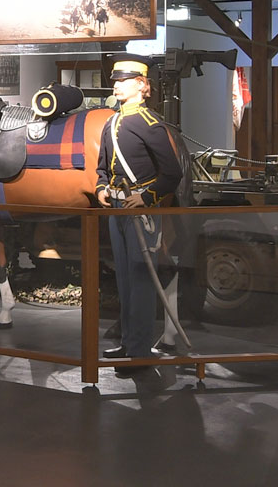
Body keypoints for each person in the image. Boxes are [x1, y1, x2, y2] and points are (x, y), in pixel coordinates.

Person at [95, 53, 183, 375]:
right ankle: (130, 342)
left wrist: (146, 197)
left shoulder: (150, 123)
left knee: (141, 277)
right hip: (116, 208)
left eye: (124, 81)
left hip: (141, 211)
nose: (117, 86)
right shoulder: (112, 122)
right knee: (124, 277)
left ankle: (140, 350)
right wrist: (101, 187)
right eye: (116, 81)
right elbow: (102, 167)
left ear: (141, 85)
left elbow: (171, 173)